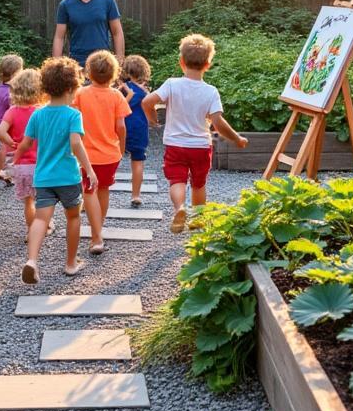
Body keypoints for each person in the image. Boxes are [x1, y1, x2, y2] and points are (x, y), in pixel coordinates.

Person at [141, 34, 248, 234]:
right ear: (208, 64)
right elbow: (218, 123)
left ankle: (179, 208)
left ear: (181, 62)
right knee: (198, 183)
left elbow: (147, 102)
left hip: (175, 145)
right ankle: (198, 219)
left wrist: (153, 119)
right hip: (200, 146)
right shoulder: (211, 92)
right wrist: (236, 138)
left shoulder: (172, 84)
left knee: (177, 180)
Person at [15, 57, 99, 283]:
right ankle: (71, 264)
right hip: (68, 177)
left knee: (41, 219)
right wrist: (89, 169)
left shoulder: (38, 114)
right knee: (73, 217)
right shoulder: (73, 115)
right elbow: (75, 143)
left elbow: (25, 143)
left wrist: (16, 158)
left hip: (43, 178)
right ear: (72, 88)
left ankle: (32, 260)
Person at [72, 50, 130, 255]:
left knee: (88, 191)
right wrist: (121, 148)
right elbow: (121, 127)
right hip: (110, 154)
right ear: (114, 73)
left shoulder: (80, 94)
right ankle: (98, 230)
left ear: (89, 72)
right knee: (103, 189)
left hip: (86, 155)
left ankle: (96, 237)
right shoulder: (116, 96)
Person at [0, 68, 44, 237]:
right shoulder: (41, 112)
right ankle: (43, 226)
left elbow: (0, 132)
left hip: (21, 166)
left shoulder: (12, 111)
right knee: (44, 201)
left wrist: (12, 143)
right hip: (41, 164)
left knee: (28, 202)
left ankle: (31, 232)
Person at [52, 0, 124, 66]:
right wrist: (56, 66)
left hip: (103, 64)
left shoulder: (108, 1)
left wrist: (120, 62)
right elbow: (59, 37)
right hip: (77, 66)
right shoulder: (65, 5)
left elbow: (117, 33)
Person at [119, 55, 152, 207]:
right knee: (137, 162)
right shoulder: (145, 91)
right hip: (139, 128)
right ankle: (135, 195)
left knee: (111, 159)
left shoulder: (122, 89)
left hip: (121, 127)